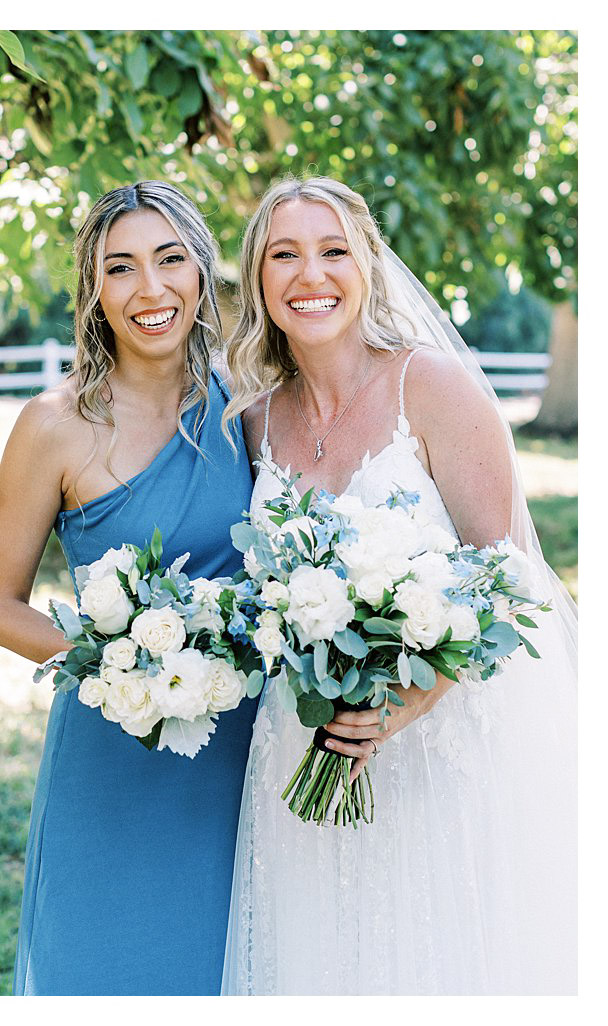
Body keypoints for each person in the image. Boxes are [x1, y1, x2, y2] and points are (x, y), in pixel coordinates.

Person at [220, 176, 578, 994]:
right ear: (259, 278)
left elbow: (512, 576)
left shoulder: (435, 387)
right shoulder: (253, 420)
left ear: (369, 264)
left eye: (333, 250)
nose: (311, 274)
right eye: (285, 255)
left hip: (435, 745)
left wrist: (418, 693)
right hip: (302, 746)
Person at [0, 181, 256, 994]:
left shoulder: (252, 404)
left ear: (202, 271)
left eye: (170, 260)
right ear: (94, 290)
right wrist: (117, 665)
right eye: (121, 268)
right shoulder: (54, 424)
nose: (150, 289)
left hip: (235, 748)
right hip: (111, 739)